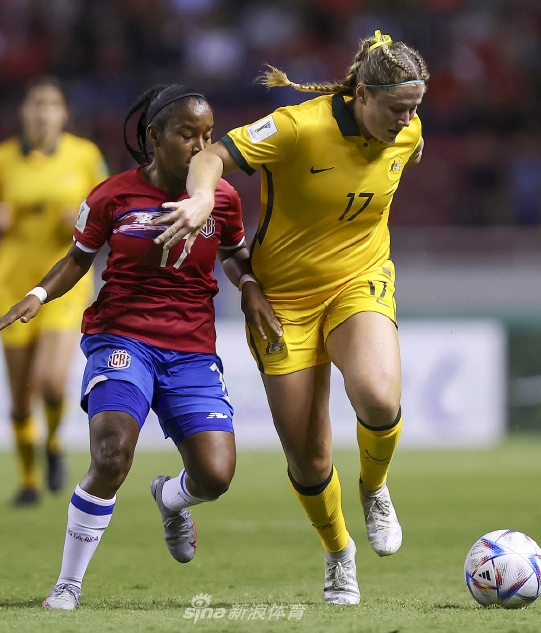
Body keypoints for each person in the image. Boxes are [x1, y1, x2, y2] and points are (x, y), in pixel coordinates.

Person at [152, 30, 429, 604]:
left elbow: (404, 150)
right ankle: (339, 553)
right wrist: (201, 197)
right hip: (283, 302)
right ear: (361, 95)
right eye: (397, 109)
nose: (407, 121)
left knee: (378, 397)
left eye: (414, 108)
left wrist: (406, 128)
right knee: (308, 457)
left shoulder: (408, 132)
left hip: (358, 281)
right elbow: (210, 156)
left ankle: (374, 489)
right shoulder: (296, 128)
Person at [0, 84, 278, 611]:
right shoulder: (112, 195)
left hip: (191, 350)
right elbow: (78, 258)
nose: (201, 147)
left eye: (208, 135)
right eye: (188, 135)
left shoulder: (222, 198)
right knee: (111, 454)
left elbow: (235, 254)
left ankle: (170, 497)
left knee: (215, 476)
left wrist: (251, 285)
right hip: (121, 338)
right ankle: (68, 585)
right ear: (154, 137)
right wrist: (37, 295)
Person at [0, 76, 109, 506]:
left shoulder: (85, 156)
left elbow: (108, 208)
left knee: (51, 381)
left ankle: (55, 444)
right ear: (24, 113)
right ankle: (28, 481)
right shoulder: (1, 159)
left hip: (62, 284)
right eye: (36, 103)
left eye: (52, 104)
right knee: (20, 395)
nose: (43, 112)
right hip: (11, 283)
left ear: (64, 114)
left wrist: (80, 220)